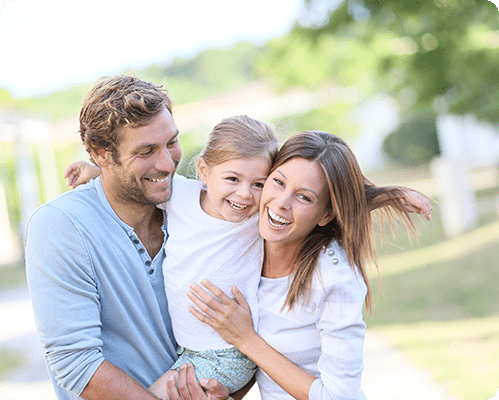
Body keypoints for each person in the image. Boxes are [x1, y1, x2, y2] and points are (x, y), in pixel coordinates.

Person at [25, 75, 230, 400]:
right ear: (99, 153)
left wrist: (228, 390)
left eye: (171, 143)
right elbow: (77, 365)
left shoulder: (198, 210)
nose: (167, 163)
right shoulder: (61, 227)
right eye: (146, 151)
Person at [187, 130, 431, 400]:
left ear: (326, 214)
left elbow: (340, 397)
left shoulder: (333, 280)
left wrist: (247, 340)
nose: (280, 204)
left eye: (303, 197)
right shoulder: (250, 239)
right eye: (278, 182)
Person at [64, 115, 279, 398]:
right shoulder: (181, 195)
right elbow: (137, 183)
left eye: (259, 184)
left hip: (228, 353)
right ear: (203, 170)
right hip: (190, 349)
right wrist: (96, 173)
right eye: (232, 179)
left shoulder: (258, 220)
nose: (244, 194)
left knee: (151, 396)